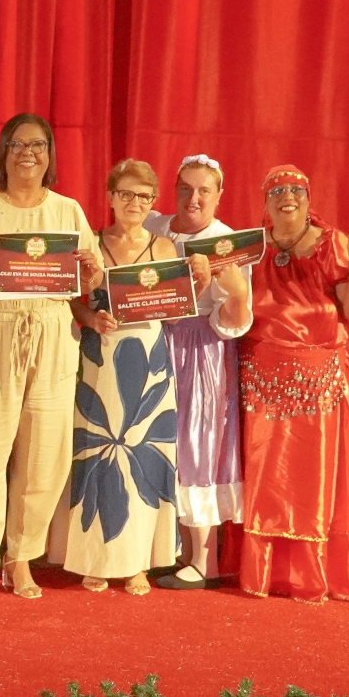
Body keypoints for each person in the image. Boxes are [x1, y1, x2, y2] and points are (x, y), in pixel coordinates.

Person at [0, 113, 102, 600]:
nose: (28, 153)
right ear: (4, 151)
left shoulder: (67, 210)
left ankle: (21, 558)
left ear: (49, 155)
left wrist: (89, 272)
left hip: (52, 333)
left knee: (44, 456)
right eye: (18, 145)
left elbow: (89, 277)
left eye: (38, 145)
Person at [238, 167, 349, 602]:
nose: (288, 197)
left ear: (309, 197)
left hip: (317, 379)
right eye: (277, 190)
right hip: (262, 376)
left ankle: (312, 573)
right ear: (265, 201)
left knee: (312, 478)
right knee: (265, 479)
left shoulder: (332, 243)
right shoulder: (250, 246)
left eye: (297, 190)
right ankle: (262, 573)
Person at [50, 160, 183, 594]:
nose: (134, 203)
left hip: (150, 364)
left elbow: (175, 308)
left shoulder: (165, 248)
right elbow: (69, 299)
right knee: (96, 451)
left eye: (144, 196)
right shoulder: (89, 242)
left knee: (144, 455)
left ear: (153, 201)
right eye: (126, 194)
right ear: (110, 197)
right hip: (98, 357)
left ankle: (138, 562)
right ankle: (94, 557)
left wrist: (196, 282)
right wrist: (90, 317)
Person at [144, 154, 252, 589]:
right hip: (156, 344)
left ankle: (204, 560)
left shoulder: (227, 243)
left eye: (204, 190)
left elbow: (236, 319)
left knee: (197, 445)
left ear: (219, 195)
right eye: (186, 188)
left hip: (201, 350)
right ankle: (168, 550)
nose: (193, 198)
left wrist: (226, 291)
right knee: (160, 443)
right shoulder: (154, 226)